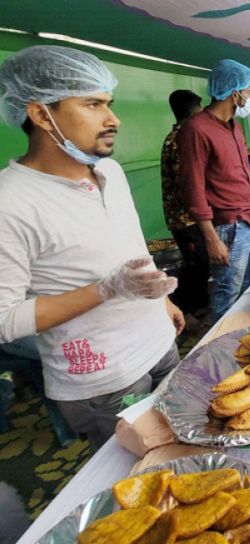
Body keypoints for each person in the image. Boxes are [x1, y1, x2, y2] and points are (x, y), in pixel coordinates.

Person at [0, 46, 184, 450]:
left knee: (191, 442)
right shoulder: (10, 201)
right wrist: (106, 290)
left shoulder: (110, 172)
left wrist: (162, 302)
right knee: (146, 472)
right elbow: (5, 319)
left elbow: (130, 244)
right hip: (106, 380)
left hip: (160, 344)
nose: (113, 118)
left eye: (108, 103)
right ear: (40, 114)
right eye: (92, 104)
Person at [178, 59, 250, 323]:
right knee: (227, 292)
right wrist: (211, 238)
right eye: (249, 91)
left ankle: (247, 333)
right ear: (234, 93)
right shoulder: (196, 128)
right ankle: (217, 343)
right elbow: (192, 186)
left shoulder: (234, 126)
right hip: (230, 225)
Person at [160, 89, 210, 320]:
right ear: (194, 111)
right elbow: (189, 182)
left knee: (198, 262)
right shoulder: (182, 139)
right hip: (185, 217)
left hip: (183, 215)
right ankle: (186, 308)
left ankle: (196, 305)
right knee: (196, 263)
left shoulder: (175, 136)